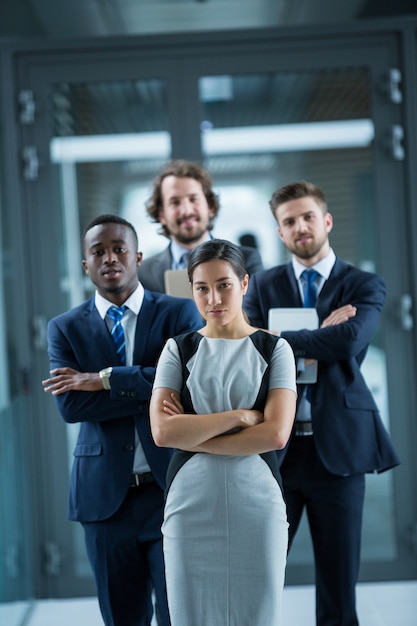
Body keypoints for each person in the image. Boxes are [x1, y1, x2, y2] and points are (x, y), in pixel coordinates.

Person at [243, 181, 400, 626]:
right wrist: (319, 336)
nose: (301, 227)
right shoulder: (264, 285)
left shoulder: (363, 283)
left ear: (326, 220)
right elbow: (249, 349)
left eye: (308, 216)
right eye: (289, 221)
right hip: (277, 450)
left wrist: (282, 339)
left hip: (339, 452)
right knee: (260, 577)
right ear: (279, 232)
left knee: (338, 584)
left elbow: (350, 340)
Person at [42, 214, 202, 626]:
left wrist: (102, 380)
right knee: (121, 618)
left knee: (180, 615)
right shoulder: (63, 328)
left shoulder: (179, 313)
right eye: (98, 252)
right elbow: (71, 407)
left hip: (170, 491)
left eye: (119, 249)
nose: (109, 258)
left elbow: (187, 387)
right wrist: (151, 386)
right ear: (85, 265)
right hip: (104, 502)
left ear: (138, 257)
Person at [149, 239, 297, 626]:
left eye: (224, 284)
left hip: (258, 501)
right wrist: (240, 417)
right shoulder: (177, 350)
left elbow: (276, 435)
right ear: (191, 289)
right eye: (201, 287)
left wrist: (195, 434)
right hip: (190, 504)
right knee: (191, 615)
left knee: (258, 614)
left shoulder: (275, 348)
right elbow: (163, 432)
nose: (213, 297)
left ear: (244, 283)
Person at [138, 160, 263, 292]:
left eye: (193, 199)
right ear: (161, 214)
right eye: (175, 202)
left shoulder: (247, 260)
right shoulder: (143, 273)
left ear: (210, 207)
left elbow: (252, 311)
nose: (187, 211)